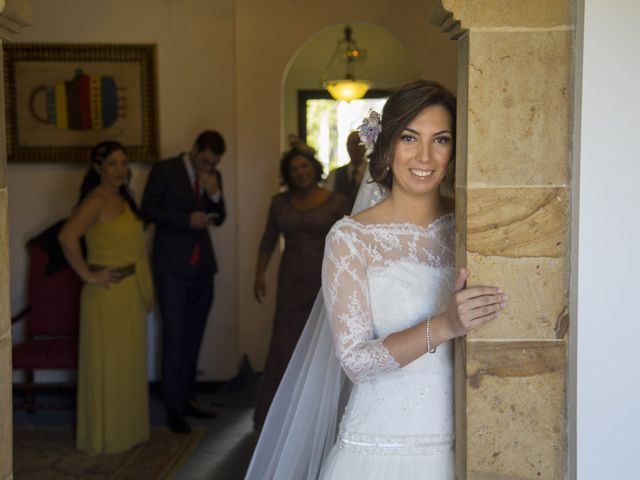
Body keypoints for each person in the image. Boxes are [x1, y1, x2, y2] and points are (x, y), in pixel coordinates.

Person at [245, 80, 507, 479]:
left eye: (440, 139)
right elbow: (355, 361)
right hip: (381, 448)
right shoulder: (351, 239)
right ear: (385, 147)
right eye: (409, 138)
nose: (424, 156)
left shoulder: (471, 229)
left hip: (472, 445)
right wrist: (445, 324)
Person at [59, 141, 152, 455]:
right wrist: (88, 274)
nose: (120, 169)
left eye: (123, 163)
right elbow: (66, 236)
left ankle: (128, 431)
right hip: (105, 295)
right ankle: (106, 435)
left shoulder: (123, 198)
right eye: (112, 163)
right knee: (108, 367)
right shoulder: (96, 200)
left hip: (129, 292)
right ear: (98, 167)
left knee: (127, 365)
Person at [252, 138, 350, 430]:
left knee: (326, 340)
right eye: (293, 168)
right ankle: (279, 415)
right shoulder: (279, 202)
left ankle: (321, 415)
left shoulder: (337, 202)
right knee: (286, 342)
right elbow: (268, 240)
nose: (299, 172)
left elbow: (348, 244)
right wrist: (258, 275)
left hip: (325, 278)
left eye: (304, 166)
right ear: (287, 173)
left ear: (314, 168)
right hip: (290, 278)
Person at [141, 130, 226, 433]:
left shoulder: (213, 175)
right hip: (171, 266)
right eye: (204, 160)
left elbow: (220, 216)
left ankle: (189, 399)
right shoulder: (165, 170)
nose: (207, 167)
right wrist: (186, 220)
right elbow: (147, 209)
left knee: (194, 336)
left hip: (203, 266)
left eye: (213, 163)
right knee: (175, 335)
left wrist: (215, 194)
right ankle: (173, 408)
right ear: (194, 148)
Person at [324, 131, 367, 210]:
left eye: (358, 142)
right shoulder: (334, 175)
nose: (354, 147)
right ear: (347, 147)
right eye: (350, 144)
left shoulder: (374, 172)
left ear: (365, 146)